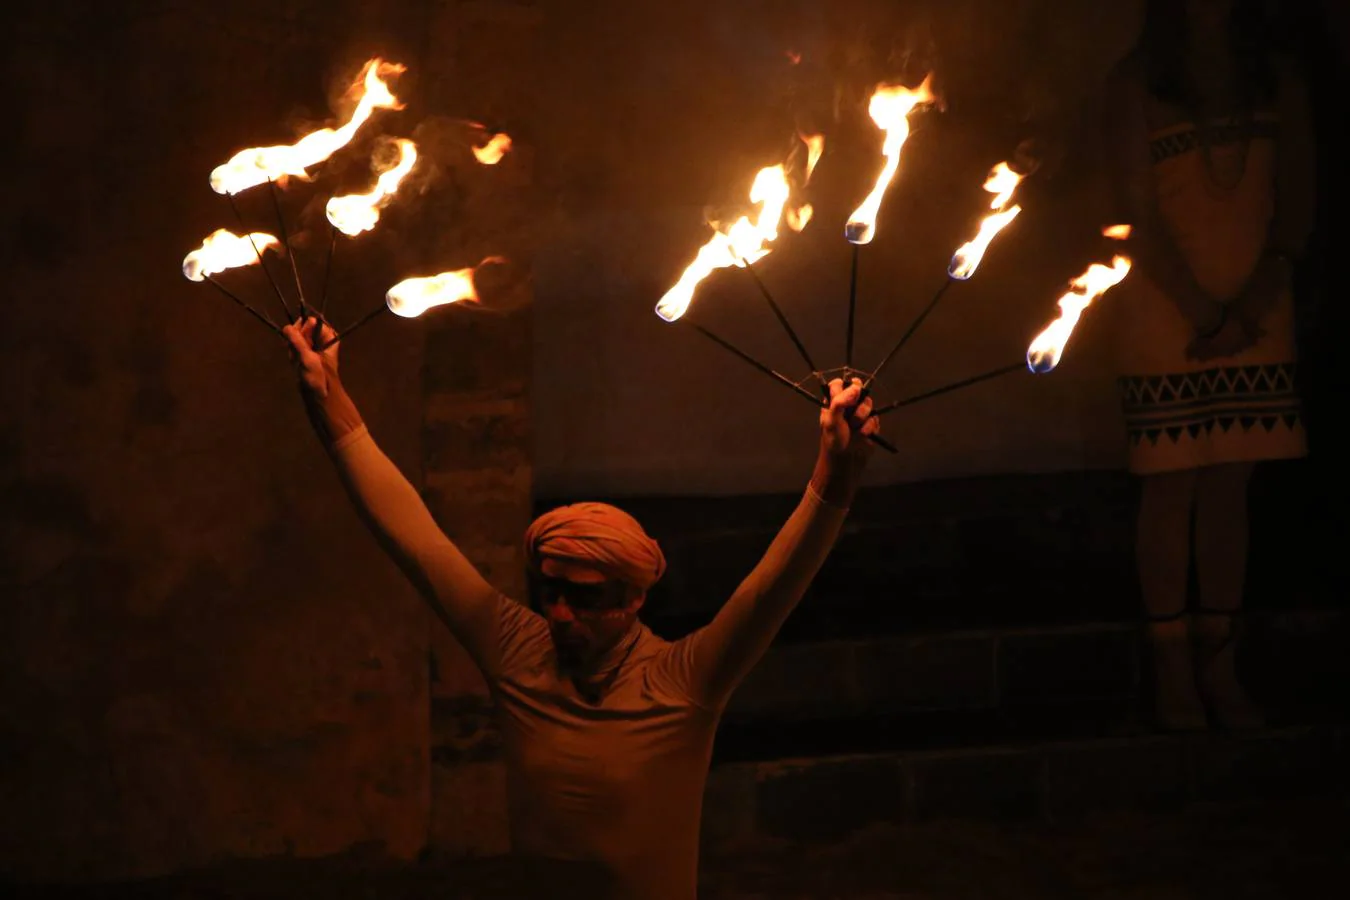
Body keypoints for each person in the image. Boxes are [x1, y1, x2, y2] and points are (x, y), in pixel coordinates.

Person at [281, 317, 879, 899]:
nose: (561, 614)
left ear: (634, 597)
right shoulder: (516, 649)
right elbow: (414, 537)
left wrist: (837, 472)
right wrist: (328, 399)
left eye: (587, 599)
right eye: (550, 592)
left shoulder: (683, 682)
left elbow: (771, 589)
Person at [1104, 0, 1315, 730]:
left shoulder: (1276, 81)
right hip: (1167, 311)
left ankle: (1221, 666)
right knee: (1171, 485)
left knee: (1232, 484)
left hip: (1258, 306)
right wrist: (1203, 314)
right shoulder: (1138, 85)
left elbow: (1296, 201)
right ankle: (1172, 673)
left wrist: (1252, 304)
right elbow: (1136, 210)